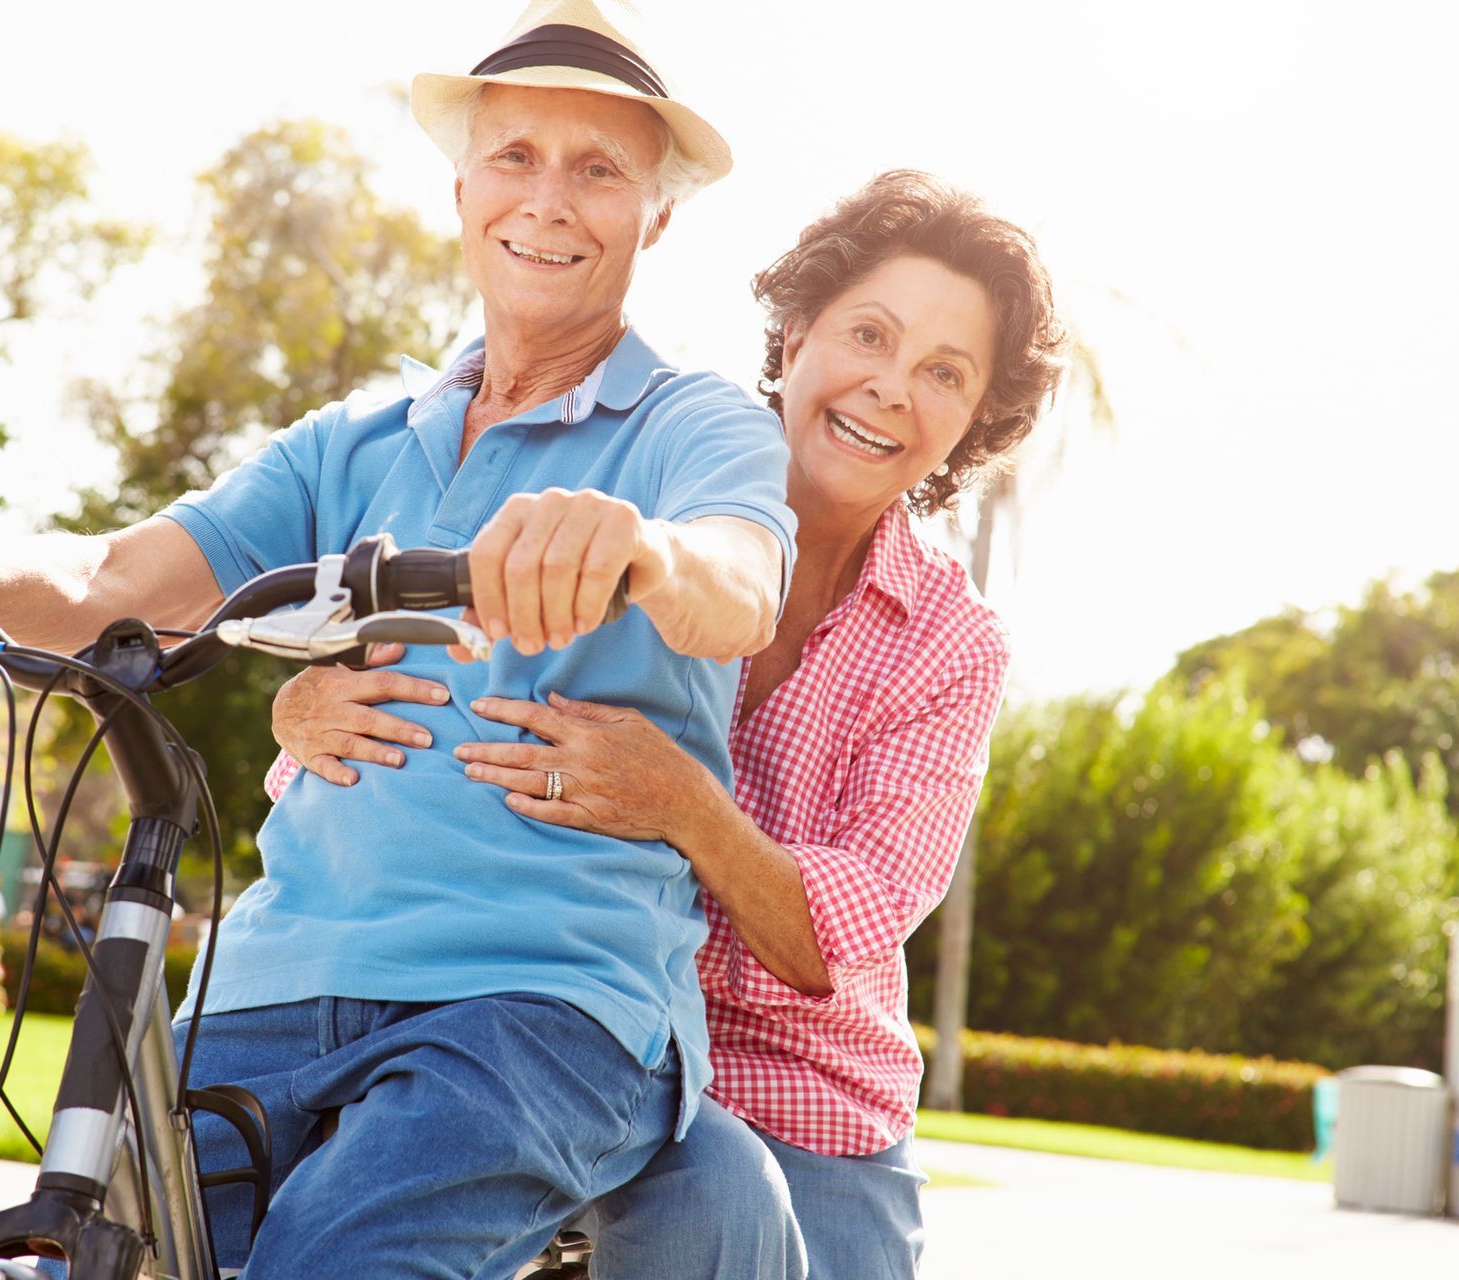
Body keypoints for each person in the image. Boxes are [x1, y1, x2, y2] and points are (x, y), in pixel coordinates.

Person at [0, 3, 797, 1276]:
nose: (547, 200)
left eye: (599, 169)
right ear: (461, 187)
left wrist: (643, 550)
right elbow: (118, 576)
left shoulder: (696, 425)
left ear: (655, 214)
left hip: (537, 999)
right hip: (272, 981)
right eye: (515, 156)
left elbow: (741, 576)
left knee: (336, 1259)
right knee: (93, 1250)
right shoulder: (353, 441)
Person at [267, 169, 1069, 1278]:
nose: (891, 387)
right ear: (794, 336)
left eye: (943, 372)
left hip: (801, 1089)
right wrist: (301, 711)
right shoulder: (632, 489)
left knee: (724, 1193)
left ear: (974, 421)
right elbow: (429, 738)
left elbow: (838, 943)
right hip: (557, 1024)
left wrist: (689, 805)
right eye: (869, 335)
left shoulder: (950, 640)